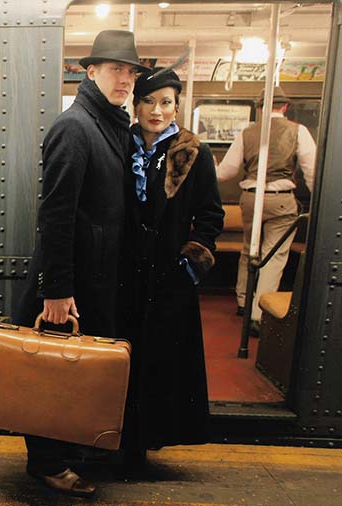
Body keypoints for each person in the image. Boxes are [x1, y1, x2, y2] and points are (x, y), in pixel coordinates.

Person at [14, 30, 148, 497]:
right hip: (71, 283)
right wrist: (56, 290)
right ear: (90, 72)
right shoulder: (75, 127)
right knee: (55, 376)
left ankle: (68, 454)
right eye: (115, 69)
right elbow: (56, 215)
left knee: (74, 375)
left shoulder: (109, 123)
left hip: (96, 277)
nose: (125, 79)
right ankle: (47, 463)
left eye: (131, 72)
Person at [119, 68, 224, 472]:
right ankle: (120, 437)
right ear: (136, 105)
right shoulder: (120, 144)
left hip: (169, 277)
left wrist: (188, 265)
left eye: (166, 102)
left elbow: (211, 215)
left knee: (160, 360)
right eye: (148, 101)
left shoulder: (193, 152)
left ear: (177, 106)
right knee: (124, 357)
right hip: (125, 274)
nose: (156, 110)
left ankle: (146, 443)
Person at [216, 86, 316, 331]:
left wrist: (213, 168)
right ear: (285, 107)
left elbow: (226, 172)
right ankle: (259, 314)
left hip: (250, 197)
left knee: (249, 248)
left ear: (260, 108)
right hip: (281, 200)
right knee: (275, 254)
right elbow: (311, 171)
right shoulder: (298, 131)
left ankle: (242, 300)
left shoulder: (247, 133)